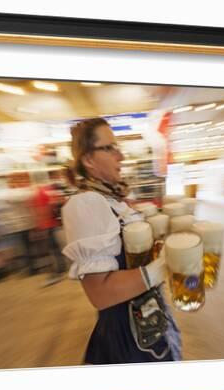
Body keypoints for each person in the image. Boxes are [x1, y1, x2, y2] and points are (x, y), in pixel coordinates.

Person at [60, 117, 182, 365]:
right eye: (110, 148)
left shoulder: (112, 200)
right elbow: (100, 293)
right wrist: (163, 266)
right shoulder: (86, 204)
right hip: (127, 341)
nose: (121, 156)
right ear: (88, 159)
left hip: (149, 325)